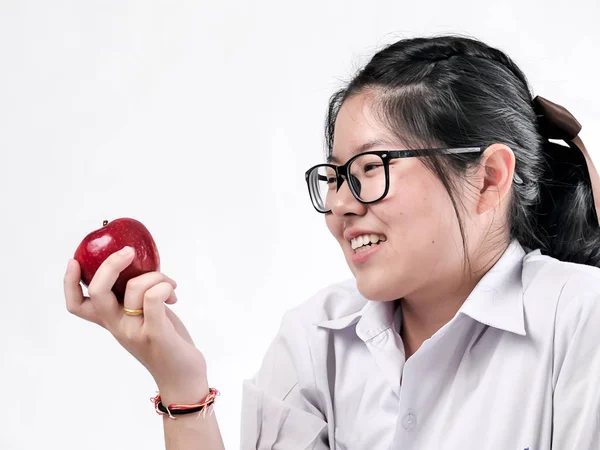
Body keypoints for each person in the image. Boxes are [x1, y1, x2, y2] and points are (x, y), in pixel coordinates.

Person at [64, 34, 600, 449]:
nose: (341, 205)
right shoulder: (314, 341)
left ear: (487, 179)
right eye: (336, 176)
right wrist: (182, 384)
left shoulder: (580, 321)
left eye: (371, 168)